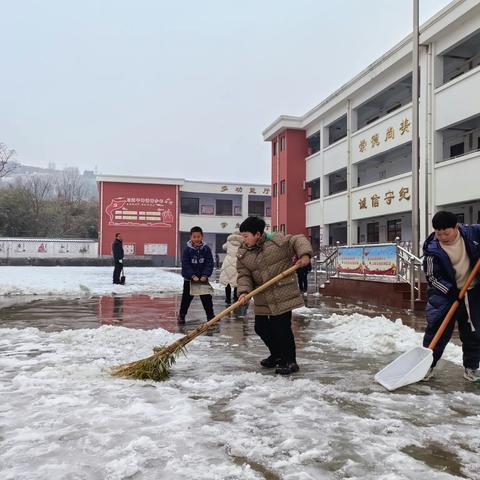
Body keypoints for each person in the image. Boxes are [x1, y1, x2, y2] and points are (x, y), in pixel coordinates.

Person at [236, 216, 313, 375]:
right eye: (242, 236)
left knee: (281, 328)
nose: (244, 240)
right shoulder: (243, 253)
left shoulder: (277, 241)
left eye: (246, 236)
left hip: (282, 293)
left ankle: (290, 361)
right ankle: (277, 355)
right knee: (261, 327)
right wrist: (244, 292)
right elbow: (244, 275)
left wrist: (304, 255)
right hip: (262, 296)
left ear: (257, 234)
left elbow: (298, 240)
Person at [422, 211, 480, 382]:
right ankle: (426, 367)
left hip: (472, 291)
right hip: (445, 295)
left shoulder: (472, 233)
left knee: (473, 332)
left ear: (456, 227)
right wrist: (450, 291)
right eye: (439, 233)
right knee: (437, 332)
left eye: (446, 233)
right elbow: (432, 277)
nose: (443, 237)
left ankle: (471, 368)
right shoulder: (433, 249)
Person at [178, 226, 215, 324]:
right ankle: (181, 316)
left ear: (202, 236)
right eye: (194, 237)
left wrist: (205, 275)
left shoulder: (206, 249)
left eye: (198, 236)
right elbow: (185, 264)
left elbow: (209, 263)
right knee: (186, 299)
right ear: (191, 237)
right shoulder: (187, 250)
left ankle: (211, 317)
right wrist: (192, 276)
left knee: (207, 299)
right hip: (189, 280)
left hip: (203, 279)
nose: (196, 239)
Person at [219, 231, 243, 305]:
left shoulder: (229, 241)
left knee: (228, 282)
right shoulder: (242, 243)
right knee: (236, 282)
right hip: (237, 262)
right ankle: (235, 298)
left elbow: (223, 247)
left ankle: (228, 298)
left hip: (228, 262)